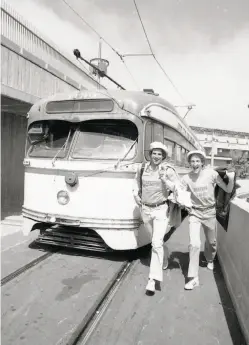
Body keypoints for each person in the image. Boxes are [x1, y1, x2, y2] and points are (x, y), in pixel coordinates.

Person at [180, 150, 235, 290]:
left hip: (210, 212)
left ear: (202, 162)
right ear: (189, 163)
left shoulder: (211, 174)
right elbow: (181, 195)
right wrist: (184, 204)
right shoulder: (186, 178)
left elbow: (228, 189)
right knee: (194, 244)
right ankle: (193, 278)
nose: (195, 164)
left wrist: (231, 178)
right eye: (192, 161)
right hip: (195, 214)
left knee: (212, 242)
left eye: (197, 161)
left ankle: (210, 258)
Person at [133, 141, 177, 293]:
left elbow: (176, 188)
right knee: (155, 242)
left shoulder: (168, 170)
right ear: (150, 154)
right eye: (154, 153)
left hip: (161, 209)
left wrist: (165, 179)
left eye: (160, 154)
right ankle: (163, 256)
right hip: (146, 209)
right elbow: (136, 185)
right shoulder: (142, 168)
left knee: (156, 243)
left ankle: (153, 279)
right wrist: (135, 195)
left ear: (163, 156)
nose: (156, 156)